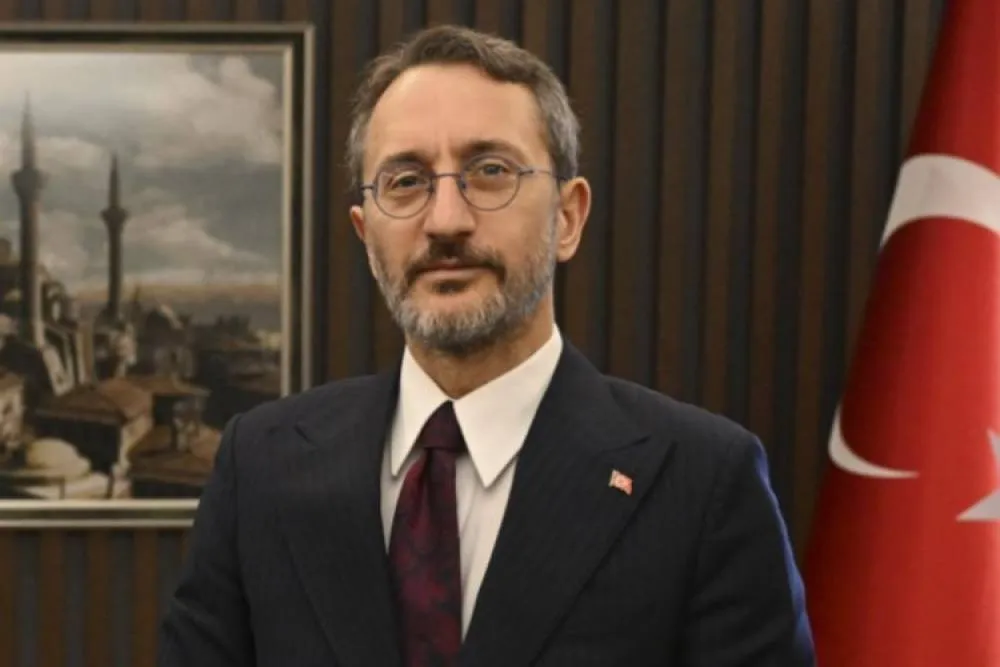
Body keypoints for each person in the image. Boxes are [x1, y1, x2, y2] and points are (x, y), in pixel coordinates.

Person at [158, 24, 816, 667]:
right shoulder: (261, 465)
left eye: (490, 170)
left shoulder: (702, 481)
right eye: (406, 180)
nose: (446, 220)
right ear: (365, 233)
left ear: (567, 217)